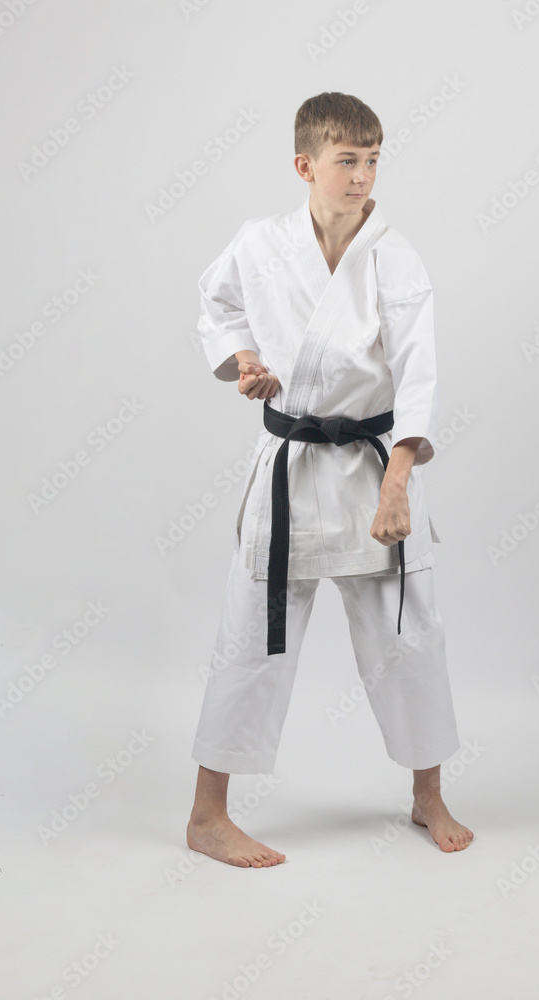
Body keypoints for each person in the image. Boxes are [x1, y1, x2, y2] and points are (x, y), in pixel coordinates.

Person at [186, 92, 474, 866]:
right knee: (248, 634)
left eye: (373, 158)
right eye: (347, 159)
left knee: (409, 632)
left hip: (373, 469)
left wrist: (398, 487)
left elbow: (420, 373)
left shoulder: (394, 254)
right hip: (286, 468)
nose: (362, 175)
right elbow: (216, 305)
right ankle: (208, 815)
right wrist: (243, 361)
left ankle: (427, 795)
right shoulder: (258, 242)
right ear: (304, 164)